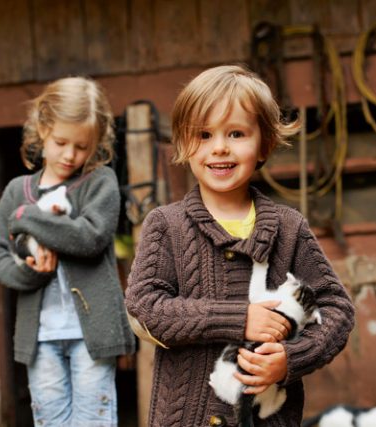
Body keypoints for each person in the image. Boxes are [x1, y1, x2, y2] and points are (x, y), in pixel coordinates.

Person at [124, 64, 355, 426]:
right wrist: (239, 318)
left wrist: (291, 359)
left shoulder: (288, 229)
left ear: (264, 144)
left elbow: (336, 307)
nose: (219, 148)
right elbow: (145, 306)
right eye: (203, 135)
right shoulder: (166, 225)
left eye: (236, 133)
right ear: (184, 144)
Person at [0, 76, 135, 426]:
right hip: (41, 337)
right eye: (61, 142)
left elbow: (90, 237)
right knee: (50, 420)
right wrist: (30, 272)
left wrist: (29, 218)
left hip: (92, 334)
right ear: (41, 129)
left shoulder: (99, 182)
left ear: (98, 142)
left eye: (82, 146)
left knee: (93, 420)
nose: (70, 155)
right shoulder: (16, 192)